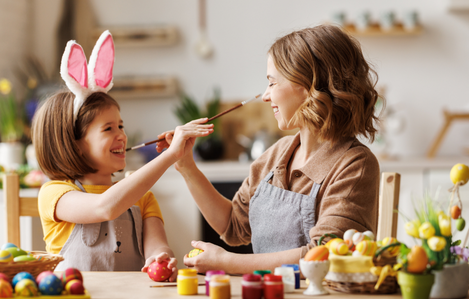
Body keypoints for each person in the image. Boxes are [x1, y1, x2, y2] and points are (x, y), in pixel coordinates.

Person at [156, 24, 381, 274]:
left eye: (272, 83)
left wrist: (227, 262)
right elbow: (234, 226)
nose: (265, 96)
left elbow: (325, 253)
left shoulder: (355, 164)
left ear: (308, 85)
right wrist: (187, 167)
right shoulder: (277, 154)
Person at [32, 31, 213, 280]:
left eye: (121, 126)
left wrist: (160, 258)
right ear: (74, 145)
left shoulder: (144, 199)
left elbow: (158, 247)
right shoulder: (55, 194)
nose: (122, 136)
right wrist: (170, 155)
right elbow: (104, 207)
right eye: (108, 129)